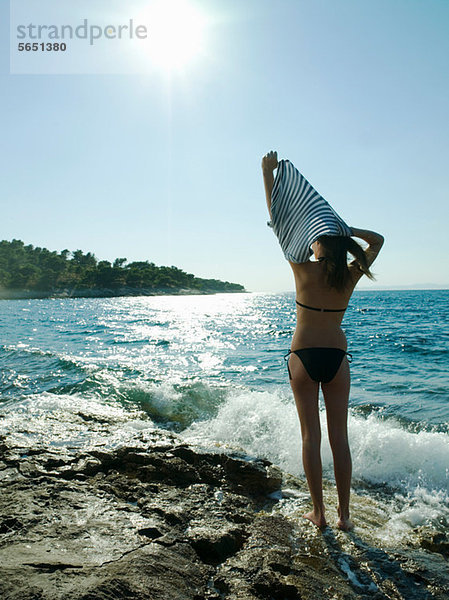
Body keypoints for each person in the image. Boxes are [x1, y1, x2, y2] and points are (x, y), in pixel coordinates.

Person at [262, 150, 384, 531]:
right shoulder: (350, 276)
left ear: (319, 245)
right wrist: (346, 231)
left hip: (303, 356)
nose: (311, 241)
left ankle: (319, 514)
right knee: (339, 440)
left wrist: (267, 174)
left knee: (310, 437)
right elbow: (378, 240)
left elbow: (279, 218)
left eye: (316, 238)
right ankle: (345, 517)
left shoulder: (300, 269)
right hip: (337, 358)